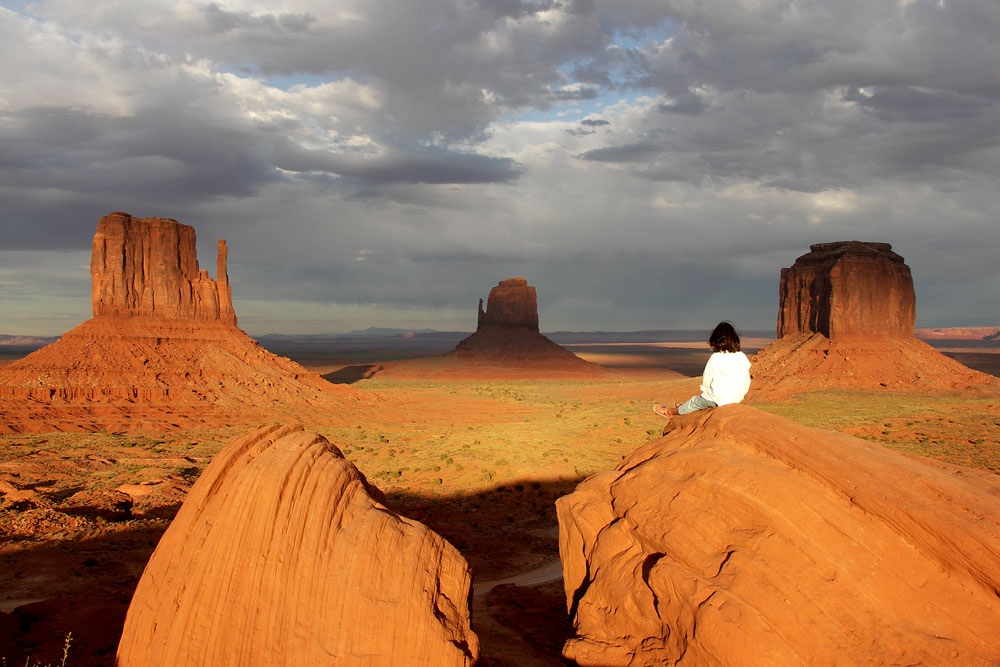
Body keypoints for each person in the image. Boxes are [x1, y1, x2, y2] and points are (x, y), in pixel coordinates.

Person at [654, 321, 751, 418]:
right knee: (702, 402)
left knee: (694, 402)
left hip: (719, 398)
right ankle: (685, 407)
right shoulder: (742, 356)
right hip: (736, 399)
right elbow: (746, 379)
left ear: (716, 340)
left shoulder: (717, 357)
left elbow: (707, 378)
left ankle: (670, 411)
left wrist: (704, 392)